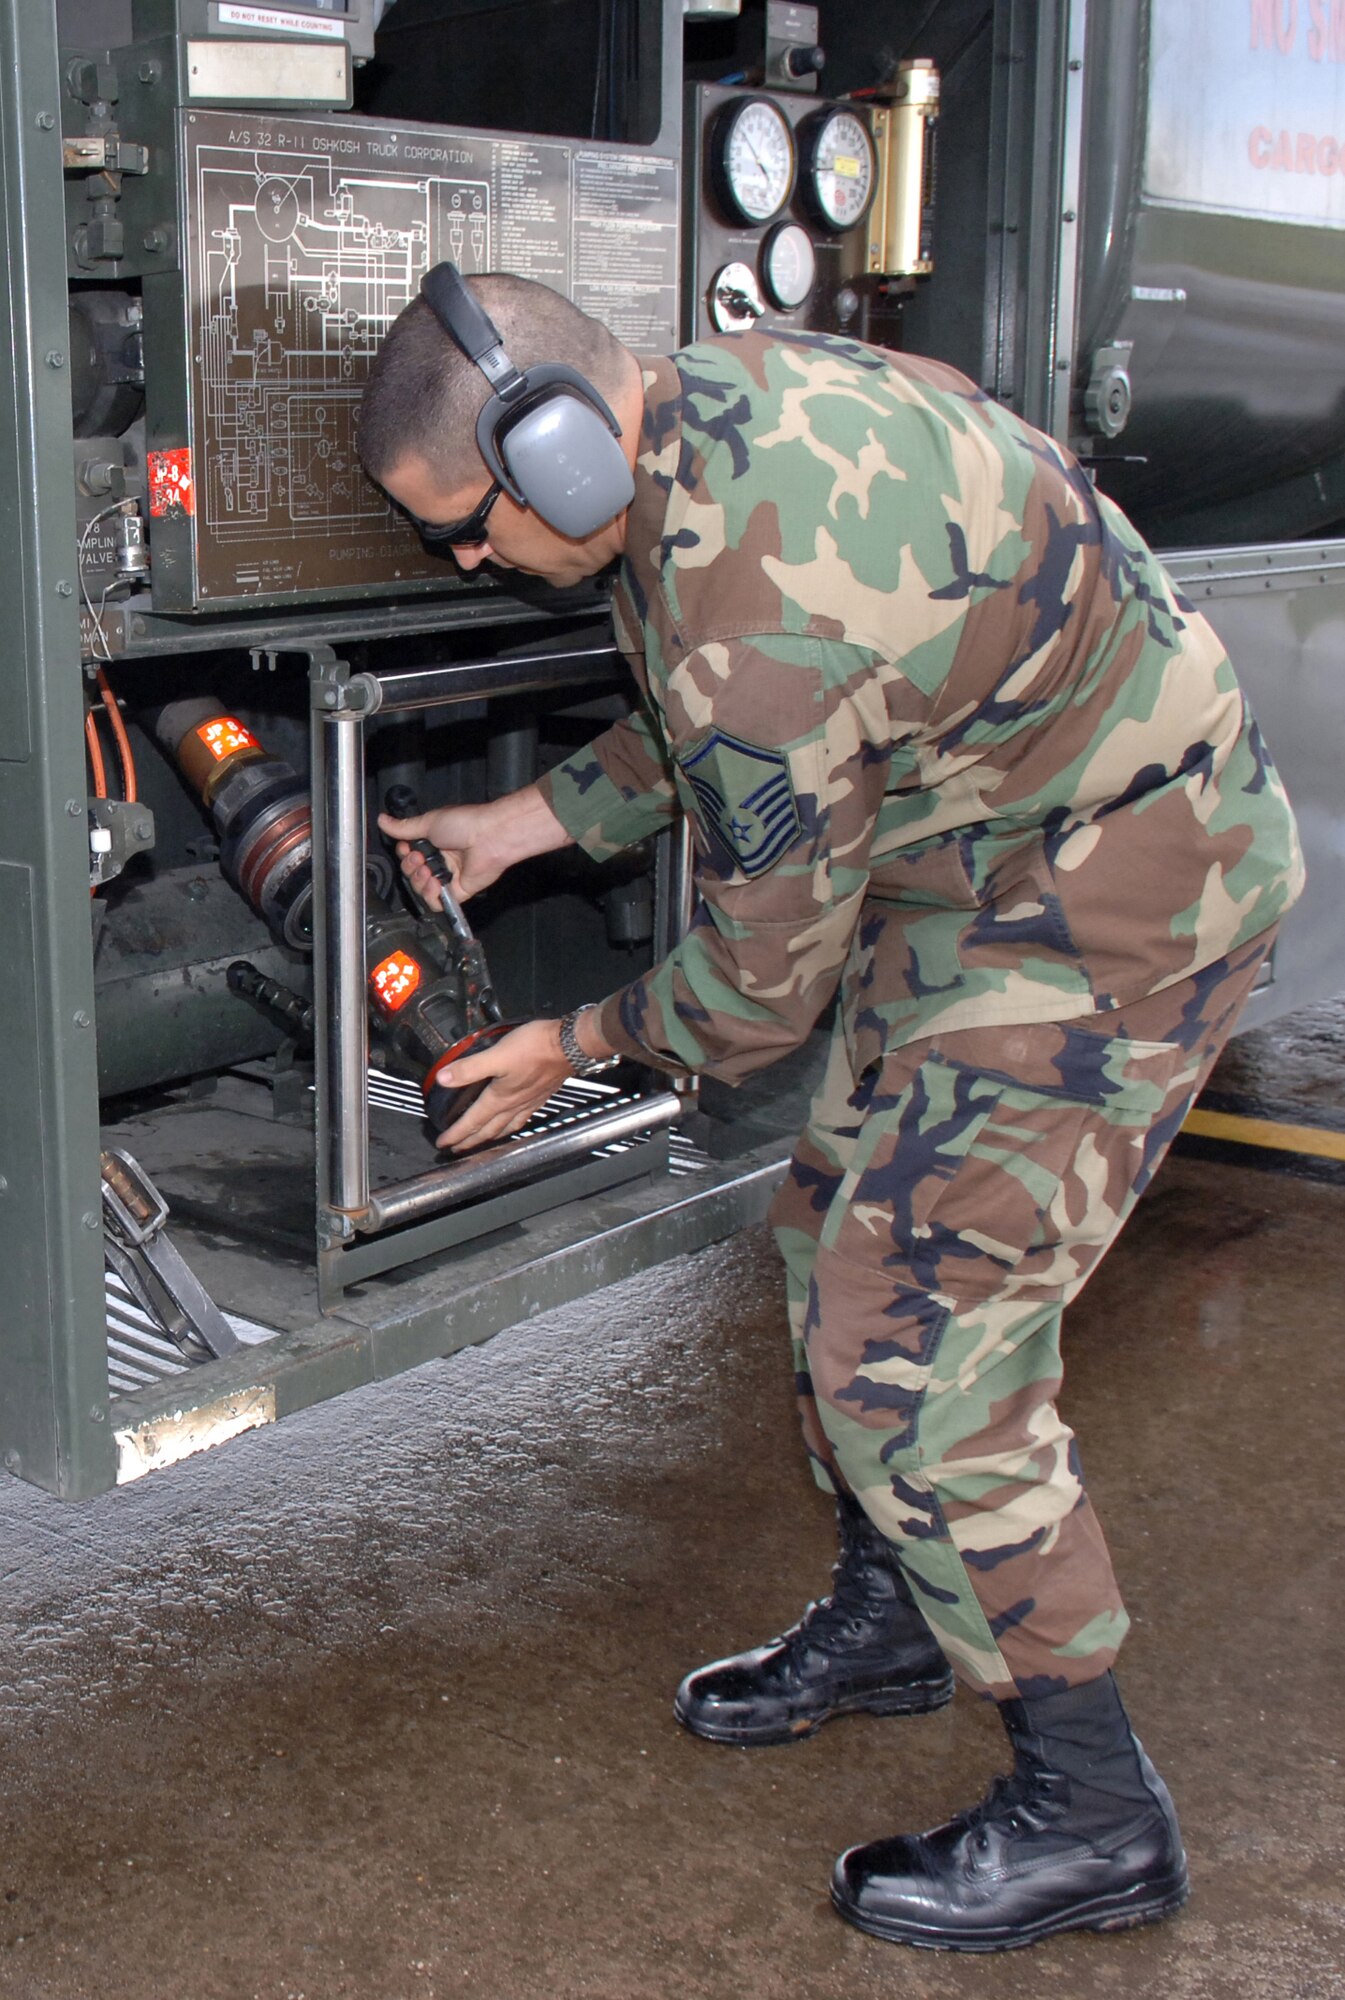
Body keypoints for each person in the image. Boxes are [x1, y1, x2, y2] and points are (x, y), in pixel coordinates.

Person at [357, 269, 1304, 1953]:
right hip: (988, 865)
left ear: (562, 456)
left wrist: (571, 1038)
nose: (469, 564)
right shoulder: (712, 424)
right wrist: (528, 822)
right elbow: (712, 712)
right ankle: (887, 1617)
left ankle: (1093, 1811)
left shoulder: (760, 620)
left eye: (473, 529)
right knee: (825, 1234)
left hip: (1127, 902)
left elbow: (749, 996)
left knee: (912, 1336)